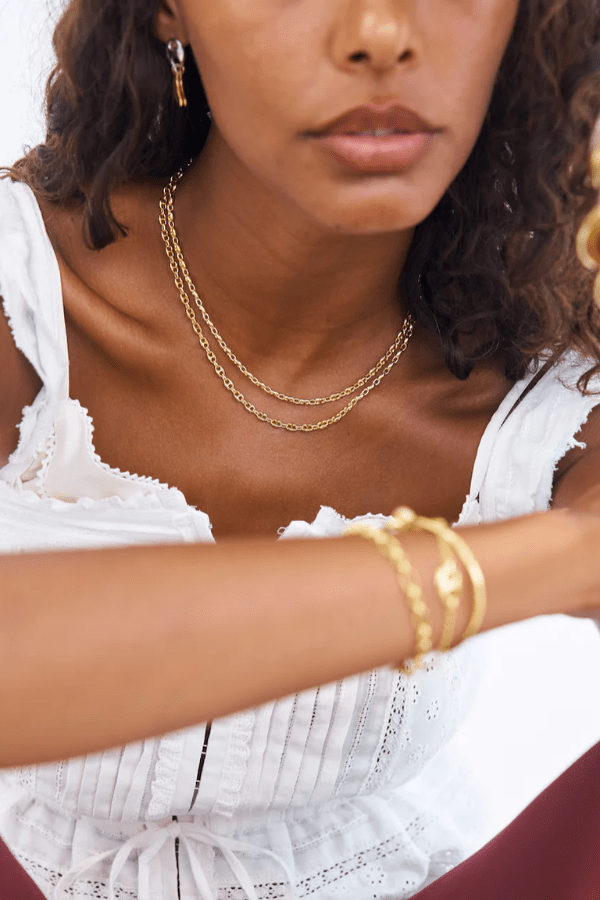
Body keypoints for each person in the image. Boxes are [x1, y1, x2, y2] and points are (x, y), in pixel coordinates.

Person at [0, 0, 600, 898]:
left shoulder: (556, 384)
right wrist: (564, 559)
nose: (381, 34)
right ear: (168, 11)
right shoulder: (26, 287)